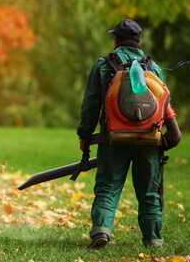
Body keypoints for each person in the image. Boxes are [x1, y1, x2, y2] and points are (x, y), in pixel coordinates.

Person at [77, 19, 182, 249]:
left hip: (113, 140)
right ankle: (153, 240)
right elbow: (164, 107)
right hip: (149, 141)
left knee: (107, 187)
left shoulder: (103, 65)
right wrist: (163, 141)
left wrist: (85, 135)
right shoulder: (153, 69)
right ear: (139, 41)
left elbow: (90, 106)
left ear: (115, 39)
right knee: (149, 193)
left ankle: (102, 231)